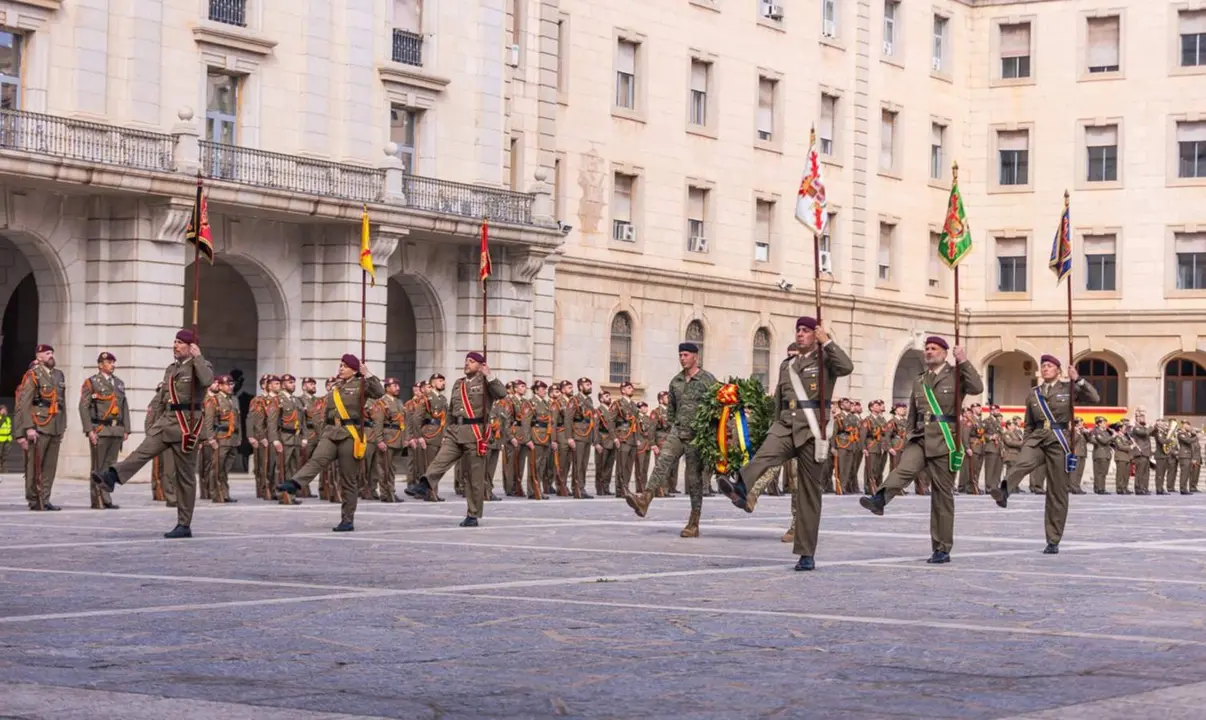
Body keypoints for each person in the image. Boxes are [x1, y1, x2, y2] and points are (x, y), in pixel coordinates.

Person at [718, 317, 854, 571]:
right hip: (785, 425)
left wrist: (829, 342)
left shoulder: (825, 360)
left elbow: (847, 367)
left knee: (808, 494)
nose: (801, 335)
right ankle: (741, 486)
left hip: (812, 430)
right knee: (764, 455)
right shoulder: (787, 365)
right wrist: (774, 424)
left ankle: (806, 552)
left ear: (815, 334)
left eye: (806, 331)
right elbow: (780, 399)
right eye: (798, 331)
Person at [857, 336, 983, 563]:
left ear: (945, 353)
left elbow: (977, 387)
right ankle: (880, 499)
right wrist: (907, 439)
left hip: (945, 440)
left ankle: (942, 547)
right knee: (904, 470)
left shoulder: (955, 375)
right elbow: (914, 412)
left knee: (942, 495)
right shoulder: (920, 380)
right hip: (920, 437)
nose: (929, 351)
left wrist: (963, 360)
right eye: (927, 348)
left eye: (934, 348)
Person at [92, 330, 214, 537]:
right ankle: (113, 475)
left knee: (185, 478)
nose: (175, 346)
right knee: (142, 452)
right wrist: (153, 424)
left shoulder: (199, 365)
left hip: (187, 427)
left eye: (180, 343)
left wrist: (198, 357)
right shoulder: (171, 369)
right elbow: (162, 398)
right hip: (166, 423)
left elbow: (207, 381)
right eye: (174, 342)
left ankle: (184, 524)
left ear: (190, 346)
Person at [989, 354, 1099, 554]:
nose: (1046, 368)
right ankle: (1004, 490)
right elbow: (1029, 422)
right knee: (1022, 462)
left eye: (1049, 366)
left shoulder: (1069, 388)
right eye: (1043, 366)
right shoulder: (1034, 394)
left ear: (1058, 370)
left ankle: (1053, 539)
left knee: (1057, 492)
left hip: (1059, 440)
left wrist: (1079, 380)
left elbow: (1094, 398)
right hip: (1037, 437)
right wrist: (1026, 442)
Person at [275, 354, 385, 531]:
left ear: (354, 369)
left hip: (350, 434)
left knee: (348, 480)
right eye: (340, 365)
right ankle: (295, 484)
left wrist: (369, 374)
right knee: (317, 460)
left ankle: (347, 520)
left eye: (345, 366)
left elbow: (379, 393)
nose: (341, 368)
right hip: (331, 432)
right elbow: (328, 411)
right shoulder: (337, 386)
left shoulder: (362, 384)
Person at [624, 342, 718, 538]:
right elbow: (672, 410)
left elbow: (717, 407)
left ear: (695, 357)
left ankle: (694, 522)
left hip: (697, 436)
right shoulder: (675, 381)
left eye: (686, 355)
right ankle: (645, 499)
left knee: (693, 480)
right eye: (680, 355)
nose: (682, 358)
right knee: (662, 462)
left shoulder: (708, 380)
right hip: (677, 431)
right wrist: (674, 426)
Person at [410, 352, 507, 526]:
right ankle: (425, 484)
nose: (467, 363)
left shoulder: (486, 383)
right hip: (455, 431)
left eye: (471, 361)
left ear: (480, 365)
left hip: (475, 433)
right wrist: (446, 430)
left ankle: (473, 514)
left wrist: (490, 375)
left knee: (474, 478)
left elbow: (502, 394)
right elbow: (450, 410)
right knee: (441, 459)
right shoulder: (458, 384)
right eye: (466, 361)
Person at [16, 344, 68, 511]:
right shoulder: (33, 375)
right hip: (40, 424)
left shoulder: (59, 375)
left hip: (55, 425)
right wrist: (29, 428)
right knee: (35, 465)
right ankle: (34, 498)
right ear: (39, 357)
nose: (51, 355)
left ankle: (45, 498)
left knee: (49, 466)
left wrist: (63, 424)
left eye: (51, 352)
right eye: (47, 353)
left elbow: (62, 403)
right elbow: (25, 403)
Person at [79, 351, 130, 510]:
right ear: (100, 365)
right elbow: (83, 407)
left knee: (110, 466)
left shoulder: (119, 383)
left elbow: (124, 407)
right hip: (100, 428)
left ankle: (107, 497)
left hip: (115, 429)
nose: (112, 365)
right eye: (109, 362)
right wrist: (89, 430)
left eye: (113, 362)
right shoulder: (92, 382)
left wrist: (126, 428)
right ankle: (97, 498)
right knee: (98, 466)